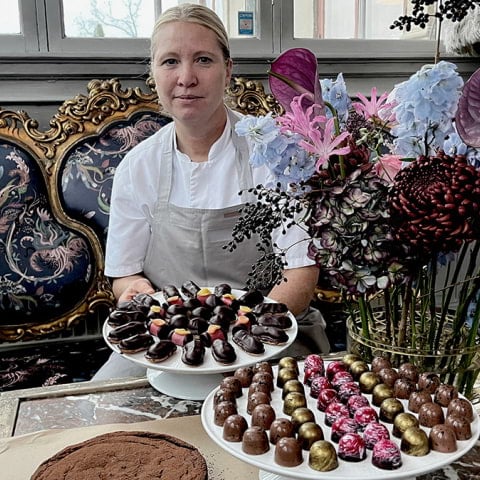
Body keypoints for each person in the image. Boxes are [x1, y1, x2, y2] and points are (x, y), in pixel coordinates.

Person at [92, 3, 329, 381]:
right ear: (153, 73)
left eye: (203, 59)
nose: (186, 77)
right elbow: (125, 274)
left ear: (228, 69)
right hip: (168, 342)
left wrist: (240, 340)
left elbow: (299, 273)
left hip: (271, 336)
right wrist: (135, 289)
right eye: (170, 61)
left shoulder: (273, 155)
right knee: (104, 418)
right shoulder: (138, 167)